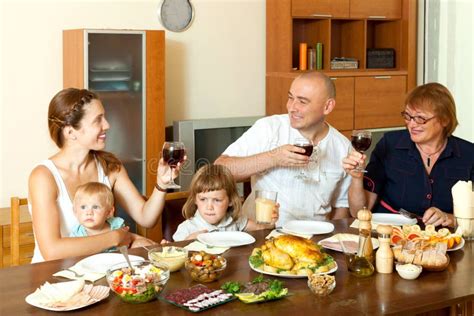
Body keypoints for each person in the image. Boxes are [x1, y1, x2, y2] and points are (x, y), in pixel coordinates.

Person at [29, 88, 179, 262]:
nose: (107, 125)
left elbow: (146, 218)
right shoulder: (43, 177)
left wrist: (162, 184)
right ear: (70, 132)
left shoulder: (109, 166)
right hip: (54, 278)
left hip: (99, 273)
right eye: (98, 120)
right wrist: (118, 237)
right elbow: (52, 251)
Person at [215, 72, 351, 225]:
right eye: (290, 98)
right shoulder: (269, 128)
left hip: (312, 239)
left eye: (302, 101)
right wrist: (274, 157)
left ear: (327, 106)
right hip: (262, 233)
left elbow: (341, 207)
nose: (292, 107)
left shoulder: (343, 147)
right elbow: (219, 171)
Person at [343, 82, 474, 227]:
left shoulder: (469, 154)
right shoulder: (389, 144)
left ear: (445, 119)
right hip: (389, 236)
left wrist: (449, 218)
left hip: (442, 240)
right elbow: (359, 212)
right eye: (408, 116)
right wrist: (356, 179)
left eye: (420, 118)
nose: (411, 124)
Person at [172, 164, 279, 241]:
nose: (209, 207)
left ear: (231, 201)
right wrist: (188, 241)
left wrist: (270, 223)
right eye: (203, 199)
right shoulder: (187, 228)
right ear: (195, 199)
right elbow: (175, 255)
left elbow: (261, 229)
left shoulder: (236, 221)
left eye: (217, 200)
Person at [71, 182, 154, 250]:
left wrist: (150, 244)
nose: (89, 212)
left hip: (118, 265)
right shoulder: (77, 234)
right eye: (83, 207)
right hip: (90, 267)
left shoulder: (116, 226)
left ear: (109, 212)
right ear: (75, 212)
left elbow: (130, 240)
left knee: (142, 244)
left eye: (95, 207)